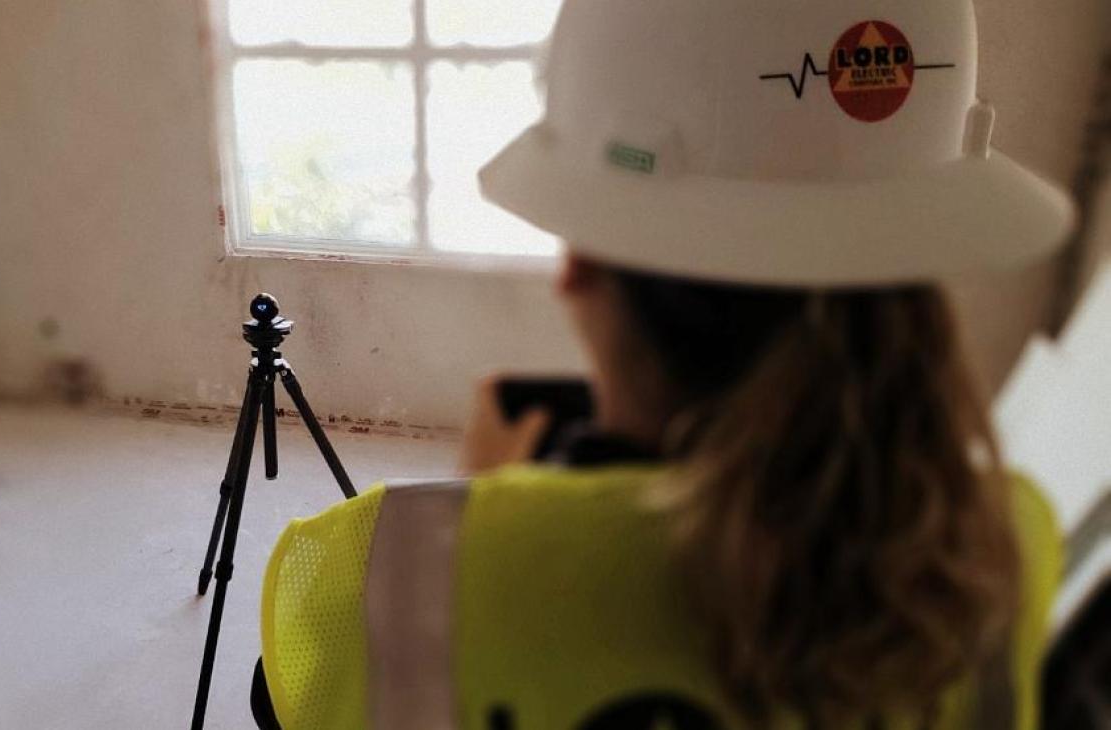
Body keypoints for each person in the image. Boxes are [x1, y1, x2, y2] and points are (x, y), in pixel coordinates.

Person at [251, 0, 1075, 727]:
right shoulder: (1002, 549)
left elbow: (294, 699)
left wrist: (487, 512)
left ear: (581, 267)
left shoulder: (397, 566)